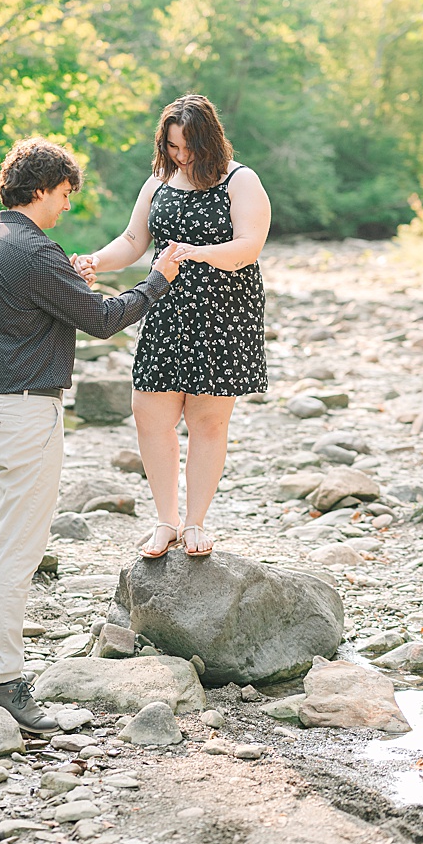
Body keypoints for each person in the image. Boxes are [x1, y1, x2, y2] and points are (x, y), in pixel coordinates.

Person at [0, 138, 181, 731]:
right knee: (18, 549)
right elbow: (103, 320)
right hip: (26, 413)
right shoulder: (38, 252)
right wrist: (157, 277)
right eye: (63, 195)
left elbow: (53, 303)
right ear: (40, 189)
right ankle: (2, 680)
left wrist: (75, 274)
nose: (66, 207)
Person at [76, 95, 271, 559]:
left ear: (210, 141)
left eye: (188, 147)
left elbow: (249, 247)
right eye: (172, 146)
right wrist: (95, 262)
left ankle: (196, 522)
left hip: (225, 313)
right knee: (151, 415)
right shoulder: (159, 179)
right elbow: (132, 240)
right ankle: (166, 521)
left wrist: (197, 252)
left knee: (207, 421)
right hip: (165, 307)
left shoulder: (241, 181)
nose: (181, 156)